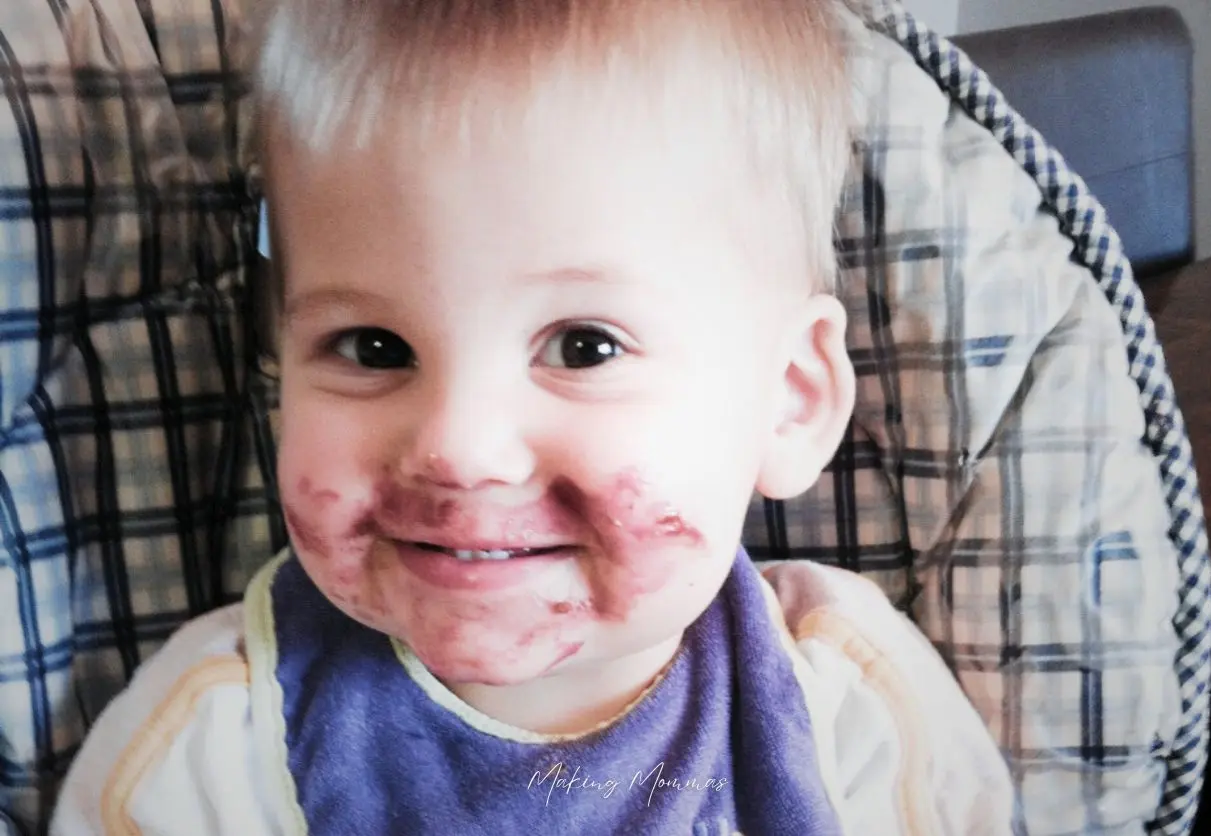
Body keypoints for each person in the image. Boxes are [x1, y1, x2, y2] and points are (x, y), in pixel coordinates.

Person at [50, 0, 1015, 832]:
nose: (458, 450)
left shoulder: (849, 709)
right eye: (373, 348)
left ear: (790, 401)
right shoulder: (219, 740)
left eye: (583, 346)